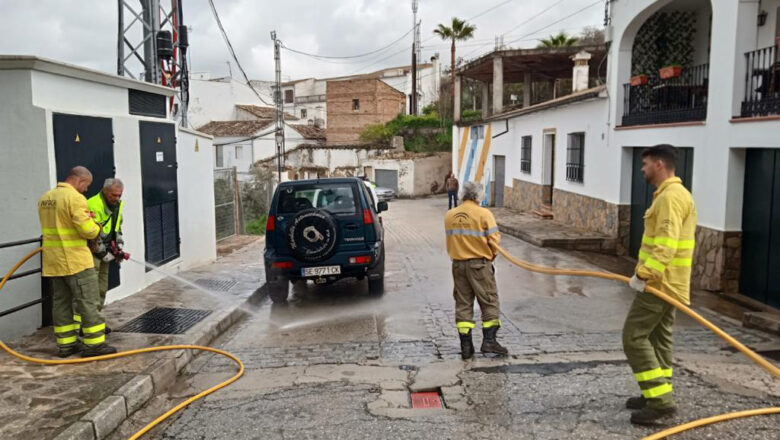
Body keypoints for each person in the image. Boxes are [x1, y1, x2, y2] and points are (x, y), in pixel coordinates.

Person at [623, 145, 697, 425]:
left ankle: (660, 402)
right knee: (658, 339)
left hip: (660, 284)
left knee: (633, 336)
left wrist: (643, 276)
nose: (642, 169)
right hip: (670, 284)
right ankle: (657, 392)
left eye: (645, 164)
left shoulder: (670, 198)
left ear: (659, 165)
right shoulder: (673, 195)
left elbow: (666, 244)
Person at [38, 166, 117, 358]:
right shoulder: (75, 198)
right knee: (88, 301)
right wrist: (97, 227)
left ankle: (67, 345)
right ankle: (94, 345)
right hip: (76, 261)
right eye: (86, 185)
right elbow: (87, 231)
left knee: (61, 304)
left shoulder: (46, 198)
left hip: (54, 262)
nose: (86, 190)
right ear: (80, 181)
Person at [444, 181, 508, 360]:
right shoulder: (483, 214)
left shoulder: (449, 215)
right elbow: (494, 240)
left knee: (463, 303)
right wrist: (491, 256)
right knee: (489, 301)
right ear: (478, 195)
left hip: (457, 265)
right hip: (479, 265)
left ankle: (466, 347)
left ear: (462, 194)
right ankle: (489, 341)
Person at [87, 178, 125, 331]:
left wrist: (119, 244)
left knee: (102, 289)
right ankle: (87, 324)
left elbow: (117, 226)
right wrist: (103, 253)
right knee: (91, 291)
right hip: (93, 253)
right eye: (113, 195)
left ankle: (97, 320)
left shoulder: (118, 205)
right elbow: (91, 234)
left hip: (107, 252)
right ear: (105, 191)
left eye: (119, 195)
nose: (116, 198)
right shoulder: (93, 204)